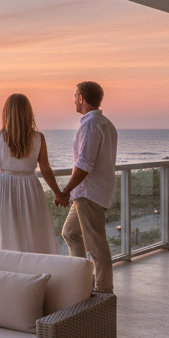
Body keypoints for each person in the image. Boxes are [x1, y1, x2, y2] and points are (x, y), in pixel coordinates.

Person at [54, 81, 118, 293]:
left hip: (89, 193)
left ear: (81, 98)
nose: (73, 99)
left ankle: (103, 289)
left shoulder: (90, 125)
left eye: (75, 95)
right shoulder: (106, 124)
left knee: (96, 245)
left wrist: (65, 191)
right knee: (70, 233)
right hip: (90, 192)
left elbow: (84, 165)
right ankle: (81, 280)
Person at [0, 93, 64, 254]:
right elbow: (45, 168)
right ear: (28, 113)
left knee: (7, 231)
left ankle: (10, 271)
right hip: (30, 185)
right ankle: (36, 269)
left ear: (6, 112)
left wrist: (8, 166)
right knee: (33, 230)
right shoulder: (38, 137)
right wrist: (58, 193)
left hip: (5, 187)